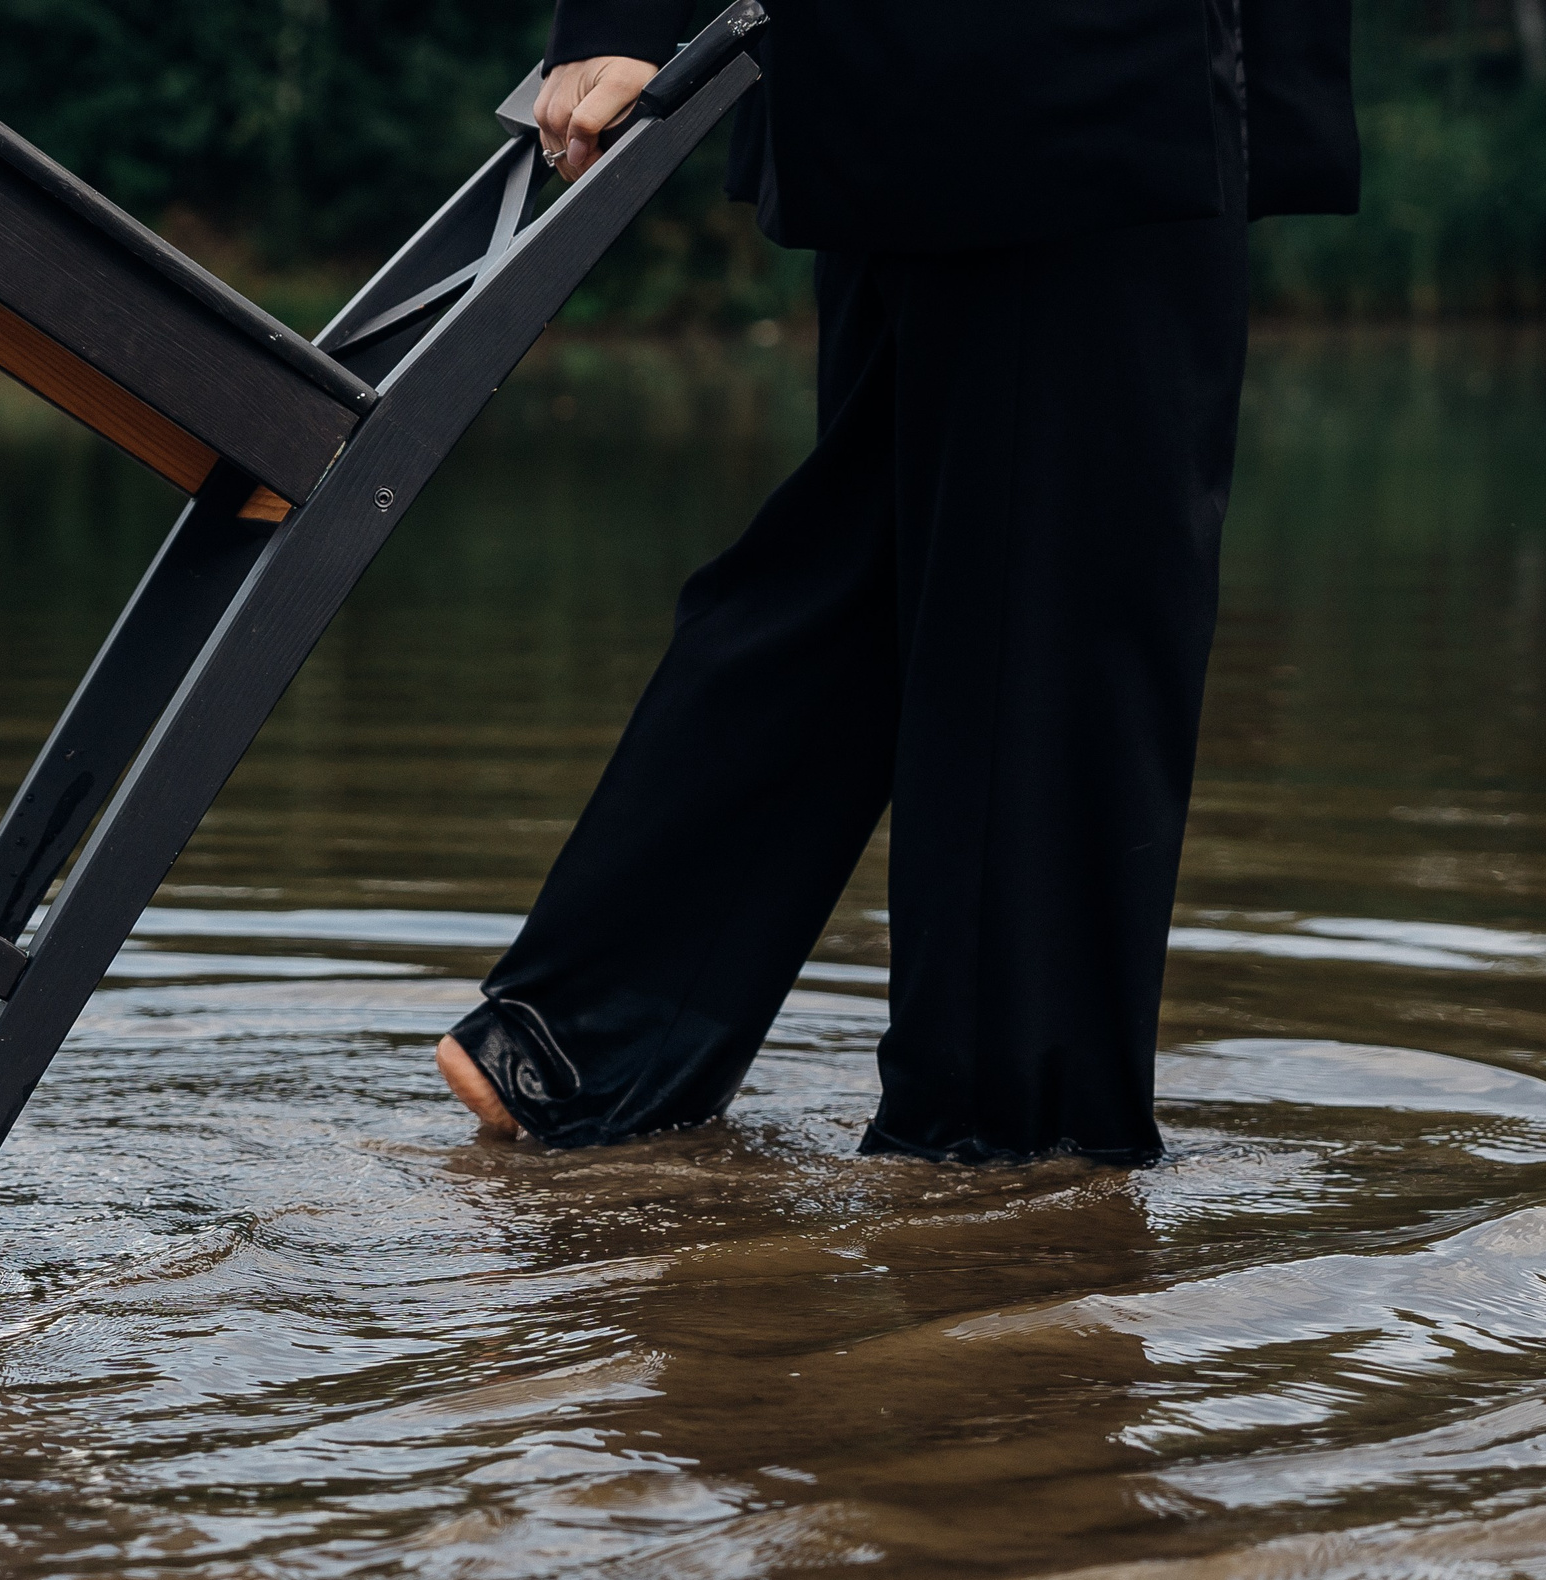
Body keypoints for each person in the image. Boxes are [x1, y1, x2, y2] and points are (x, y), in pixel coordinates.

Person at [438, 0, 1359, 1162]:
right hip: (1056, 88)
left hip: (1003, 86)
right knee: (1055, 622)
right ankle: (1009, 1172)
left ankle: (592, 1032)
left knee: (882, 570)